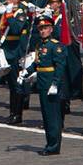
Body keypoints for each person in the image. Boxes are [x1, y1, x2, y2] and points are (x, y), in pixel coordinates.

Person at [32, 15, 66, 155]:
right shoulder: (40, 45)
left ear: (51, 29)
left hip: (51, 84)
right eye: (40, 28)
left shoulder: (55, 45)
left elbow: (60, 66)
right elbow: (37, 63)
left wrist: (55, 83)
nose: (42, 31)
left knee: (53, 117)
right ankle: (50, 143)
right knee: (46, 116)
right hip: (42, 83)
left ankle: (54, 146)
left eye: (45, 28)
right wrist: (25, 72)